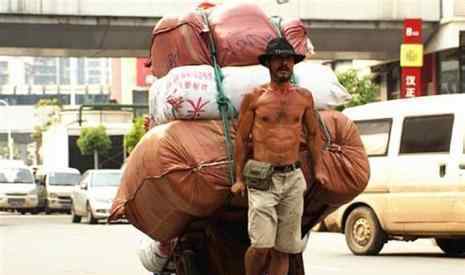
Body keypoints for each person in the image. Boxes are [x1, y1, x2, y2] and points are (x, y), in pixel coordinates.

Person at [230, 38, 323, 275]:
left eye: (288, 59)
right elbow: (241, 139)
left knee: (285, 248)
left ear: (294, 63)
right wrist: (238, 178)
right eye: (278, 59)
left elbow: (313, 134)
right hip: (263, 178)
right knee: (261, 245)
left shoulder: (304, 97)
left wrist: (320, 169)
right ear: (269, 64)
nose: (284, 63)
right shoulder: (255, 97)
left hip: (292, 178)